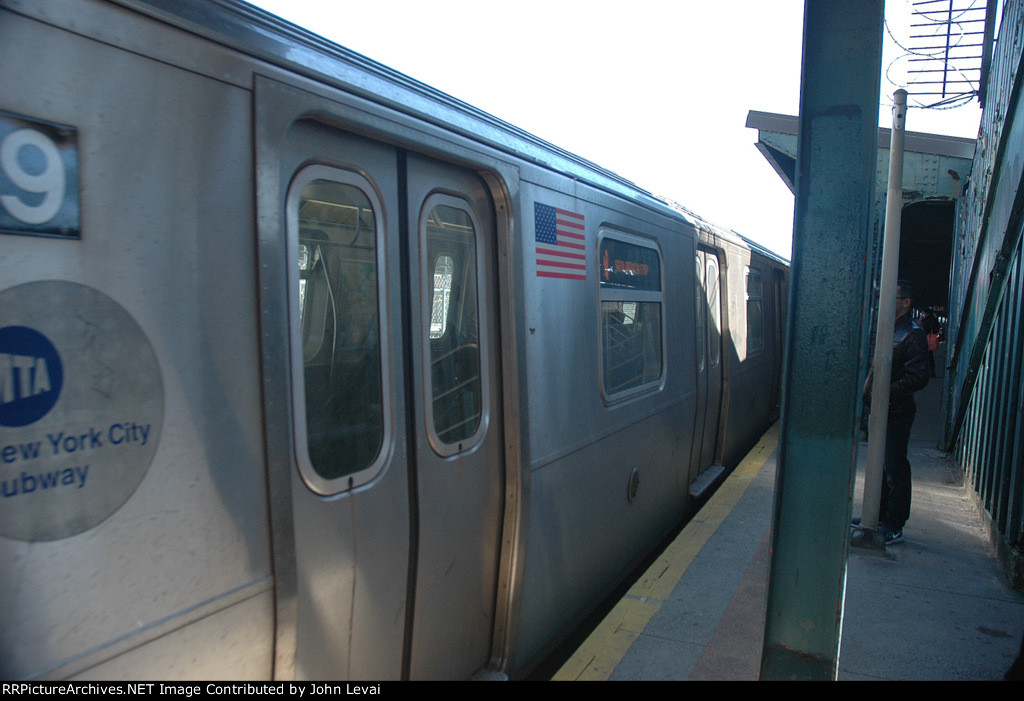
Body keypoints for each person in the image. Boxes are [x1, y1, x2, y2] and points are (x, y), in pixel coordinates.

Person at [861, 280, 930, 545]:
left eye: (893, 297)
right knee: (881, 466)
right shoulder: (891, 329)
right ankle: (877, 516)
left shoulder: (912, 333)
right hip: (882, 409)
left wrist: (884, 391)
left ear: (906, 303)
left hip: (897, 412)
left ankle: (894, 525)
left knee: (895, 468)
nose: (885, 301)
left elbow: (919, 377)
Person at [919, 306, 941, 378]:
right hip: (931, 341)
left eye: (923, 313)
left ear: (926, 313)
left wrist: (921, 321)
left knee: (925, 357)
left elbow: (923, 330)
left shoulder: (926, 321)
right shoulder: (934, 319)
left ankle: (926, 372)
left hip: (926, 341)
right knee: (930, 357)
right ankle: (932, 372)